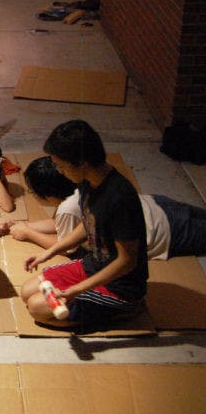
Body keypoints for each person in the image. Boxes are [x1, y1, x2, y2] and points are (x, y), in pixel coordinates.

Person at [21, 120, 149, 326]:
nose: (60, 172)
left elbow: (127, 261)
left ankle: (125, 309)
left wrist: (79, 289)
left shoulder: (119, 197)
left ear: (82, 163)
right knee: (27, 291)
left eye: (61, 166)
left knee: (37, 307)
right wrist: (50, 251)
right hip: (93, 265)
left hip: (119, 287)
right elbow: (89, 222)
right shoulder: (87, 181)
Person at [0, 156, 206, 260]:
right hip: (156, 204)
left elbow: (68, 247)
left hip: (162, 230)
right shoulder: (81, 186)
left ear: (47, 195)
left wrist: (28, 233)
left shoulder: (69, 207)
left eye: (33, 192)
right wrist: (22, 224)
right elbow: (62, 225)